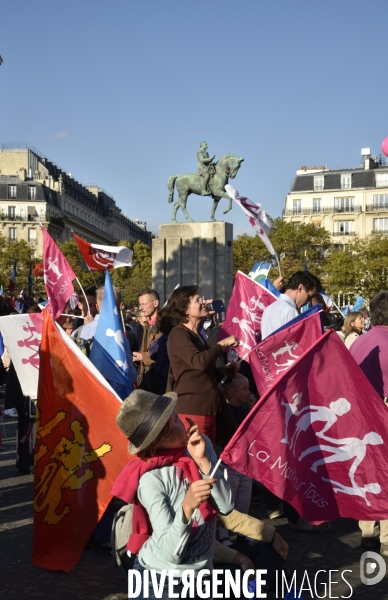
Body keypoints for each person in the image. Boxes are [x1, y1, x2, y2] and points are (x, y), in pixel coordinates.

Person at [111, 388, 234, 600]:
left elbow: (226, 506)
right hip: (159, 581)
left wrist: (204, 461)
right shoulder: (151, 481)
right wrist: (186, 509)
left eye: (175, 417)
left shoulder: (198, 447)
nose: (179, 429)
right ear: (152, 446)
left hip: (202, 577)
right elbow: (170, 554)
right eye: (168, 433)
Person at [166, 286, 239, 443]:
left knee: (208, 459)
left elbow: (199, 373)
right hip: (193, 410)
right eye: (198, 300)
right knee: (197, 459)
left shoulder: (197, 335)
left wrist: (223, 372)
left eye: (202, 298)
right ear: (184, 309)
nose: (204, 302)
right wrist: (222, 344)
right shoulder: (178, 334)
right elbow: (199, 362)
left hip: (209, 408)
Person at [350, 291, 388, 557]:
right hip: (384, 411)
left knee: (368, 470)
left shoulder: (359, 343)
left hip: (362, 414)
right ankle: (387, 535)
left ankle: (367, 530)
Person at [261, 271, 317, 339]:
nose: (308, 302)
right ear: (300, 288)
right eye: (309, 296)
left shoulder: (268, 309)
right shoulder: (290, 311)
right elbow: (294, 344)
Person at [132, 289, 161, 393]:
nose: (141, 308)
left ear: (155, 303)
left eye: (144, 304)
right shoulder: (148, 324)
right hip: (146, 380)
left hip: (159, 383)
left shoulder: (165, 325)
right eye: (140, 304)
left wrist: (142, 356)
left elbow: (163, 354)